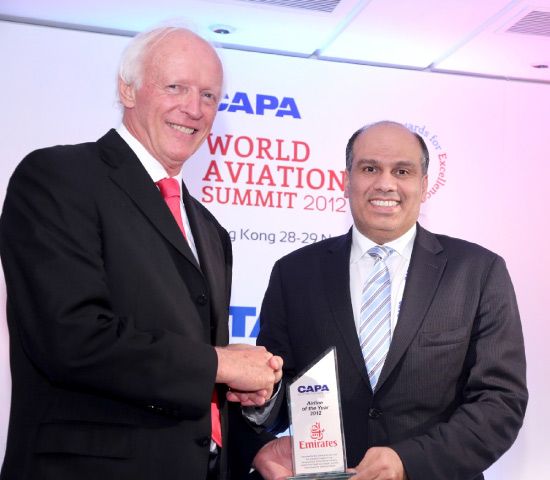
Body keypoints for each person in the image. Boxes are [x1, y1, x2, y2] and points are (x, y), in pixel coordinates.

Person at [0, 25, 282, 480]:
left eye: (209, 96)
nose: (194, 108)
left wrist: (240, 398)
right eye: (176, 87)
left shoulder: (210, 230)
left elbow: (190, 368)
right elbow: (70, 338)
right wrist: (219, 363)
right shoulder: (58, 177)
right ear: (127, 89)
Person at [249, 121, 528, 480]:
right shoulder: (294, 273)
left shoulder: (478, 272)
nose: (385, 183)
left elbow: (500, 403)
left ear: (423, 185)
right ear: (346, 180)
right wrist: (260, 410)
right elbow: (274, 391)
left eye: (402, 171)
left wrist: (408, 462)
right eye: (369, 168)